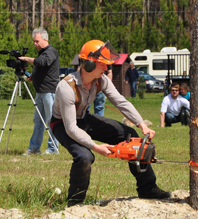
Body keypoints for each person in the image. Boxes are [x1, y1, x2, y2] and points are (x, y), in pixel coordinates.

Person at [50, 39, 171, 206]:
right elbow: (71, 128)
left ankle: (147, 188)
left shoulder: (102, 80)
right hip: (63, 124)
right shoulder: (66, 88)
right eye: (103, 64)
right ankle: (74, 203)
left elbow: (121, 102)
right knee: (85, 157)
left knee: (131, 136)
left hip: (84, 118)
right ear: (90, 64)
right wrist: (96, 147)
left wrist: (141, 124)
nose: (107, 68)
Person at [18, 27, 60, 155]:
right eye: (34, 42)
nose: (35, 44)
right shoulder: (42, 52)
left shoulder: (51, 52)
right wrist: (33, 77)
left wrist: (25, 59)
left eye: (37, 41)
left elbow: (42, 62)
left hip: (49, 92)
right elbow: (40, 67)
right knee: (38, 121)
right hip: (40, 92)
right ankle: (34, 148)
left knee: (51, 121)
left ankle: (53, 149)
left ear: (45, 38)